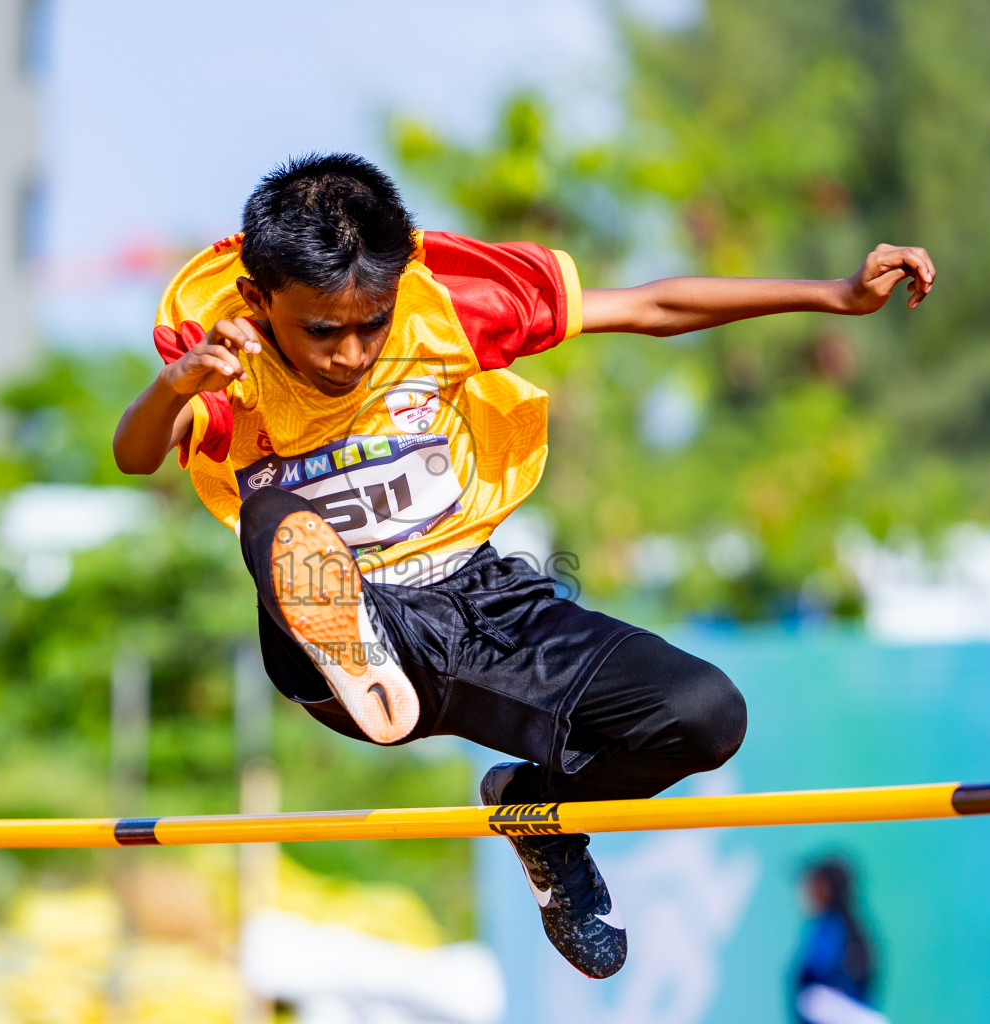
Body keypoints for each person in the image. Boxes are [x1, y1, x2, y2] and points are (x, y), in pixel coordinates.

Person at [113, 153, 935, 979]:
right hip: (340, 627)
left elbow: (649, 304)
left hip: (479, 602)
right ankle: (359, 650)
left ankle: (539, 815)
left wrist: (833, 294)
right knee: (272, 517)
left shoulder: (449, 309)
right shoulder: (230, 360)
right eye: (322, 330)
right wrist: (172, 388)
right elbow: (137, 453)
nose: (351, 353)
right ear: (260, 300)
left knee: (705, 713)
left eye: (374, 323)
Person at [791, 858, 887, 1024]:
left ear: (824, 888)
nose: (802, 890)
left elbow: (817, 977)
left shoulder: (832, 928)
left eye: (810, 883)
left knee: (810, 999)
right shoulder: (854, 929)